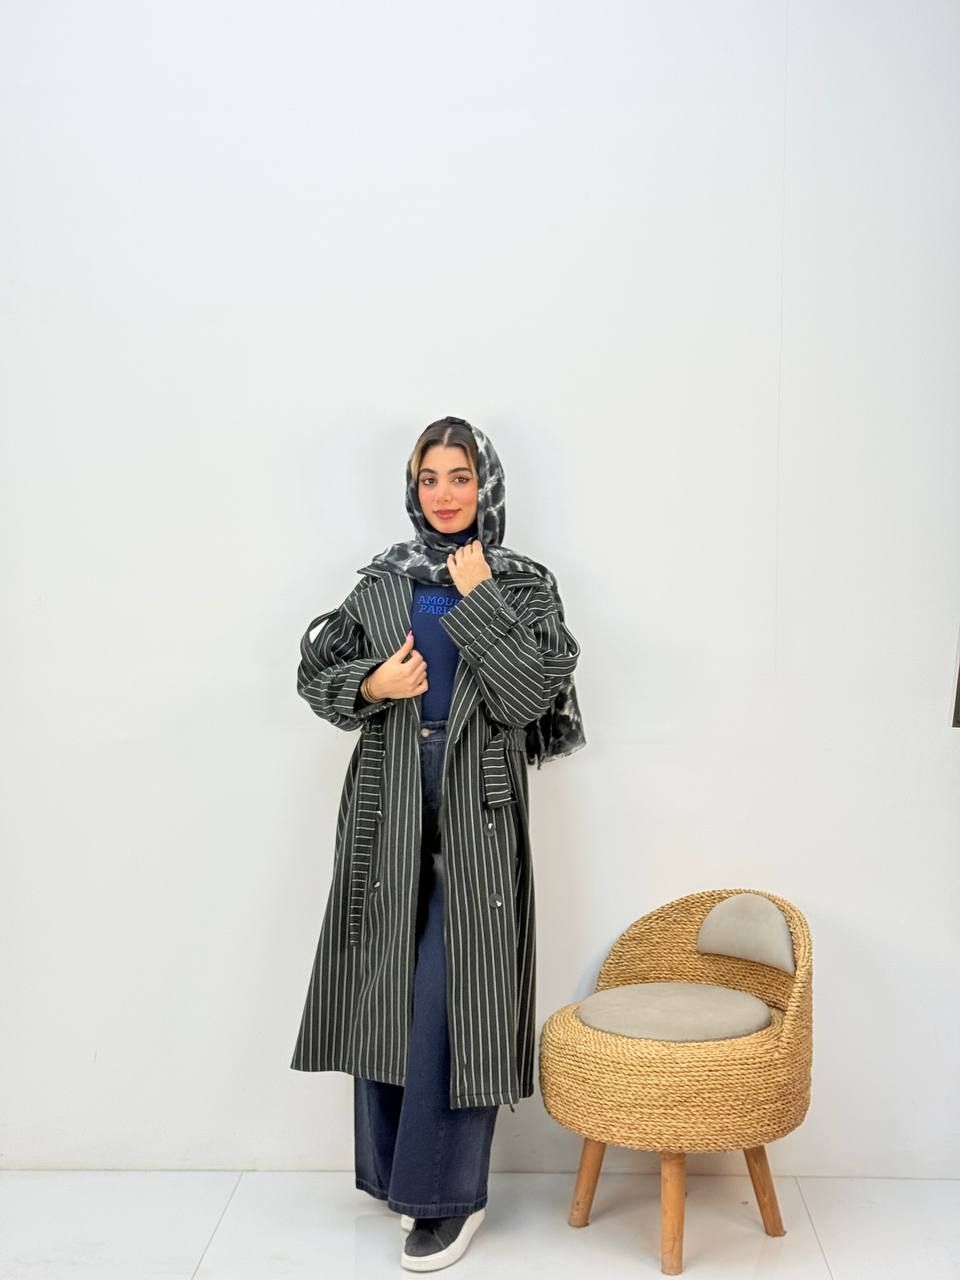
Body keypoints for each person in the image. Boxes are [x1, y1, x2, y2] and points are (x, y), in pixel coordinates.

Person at [290, 416, 586, 1271]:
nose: (445, 494)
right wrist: (372, 682)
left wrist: (481, 595)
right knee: (383, 981)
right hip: (385, 798)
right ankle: (398, 1178)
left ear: (486, 486)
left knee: (457, 994)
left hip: (475, 804)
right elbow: (315, 675)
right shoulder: (383, 580)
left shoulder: (521, 584)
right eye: (430, 478)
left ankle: (450, 1198)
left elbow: (531, 695)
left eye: (461, 477)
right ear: (412, 487)